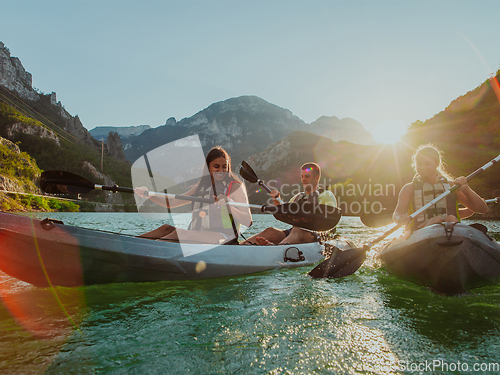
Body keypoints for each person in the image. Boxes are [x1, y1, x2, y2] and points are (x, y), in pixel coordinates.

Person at [135, 146, 252, 244]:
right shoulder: (200, 188)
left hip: (224, 237)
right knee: (165, 228)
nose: (221, 170)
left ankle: (146, 251)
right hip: (200, 233)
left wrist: (229, 205)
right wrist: (148, 194)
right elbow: (172, 203)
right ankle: (129, 244)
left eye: (224, 167)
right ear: (208, 168)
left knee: (179, 233)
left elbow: (248, 221)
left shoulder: (235, 187)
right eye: (216, 166)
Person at [393, 144, 488, 230]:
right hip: (419, 230)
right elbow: (397, 213)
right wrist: (400, 218)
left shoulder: (451, 186)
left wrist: (466, 188)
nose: (422, 167)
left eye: (427, 163)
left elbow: (482, 209)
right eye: (419, 163)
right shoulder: (409, 188)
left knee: (450, 218)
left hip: (451, 229)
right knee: (437, 219)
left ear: (437, 164)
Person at [242, 162, 337, 245]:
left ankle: (275, 249)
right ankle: (238, 246)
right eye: (302, 176)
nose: (303, 179)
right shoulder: (298, 197)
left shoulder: (326, 195)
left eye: (307, 176)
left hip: (316, 235)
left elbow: (329, 220)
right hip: (296, 232)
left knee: (297, 231)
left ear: (317, 178)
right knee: (270, 231)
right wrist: (277, 200)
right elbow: (283, 213)